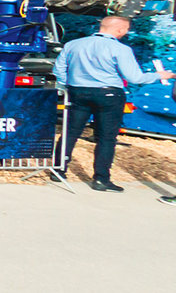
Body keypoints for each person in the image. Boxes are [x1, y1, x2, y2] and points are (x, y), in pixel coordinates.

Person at [53, 15, 172, 191]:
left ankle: (58, 170)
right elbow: (134, 77)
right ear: (120, 30)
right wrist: (160, 75)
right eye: (125, 30)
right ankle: (101, 178)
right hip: (108, 93)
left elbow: (59, 70)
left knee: (70, 132)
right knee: (106, 137)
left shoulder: (73, 44)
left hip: (78, 91)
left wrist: (68, 85)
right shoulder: (120, 49)